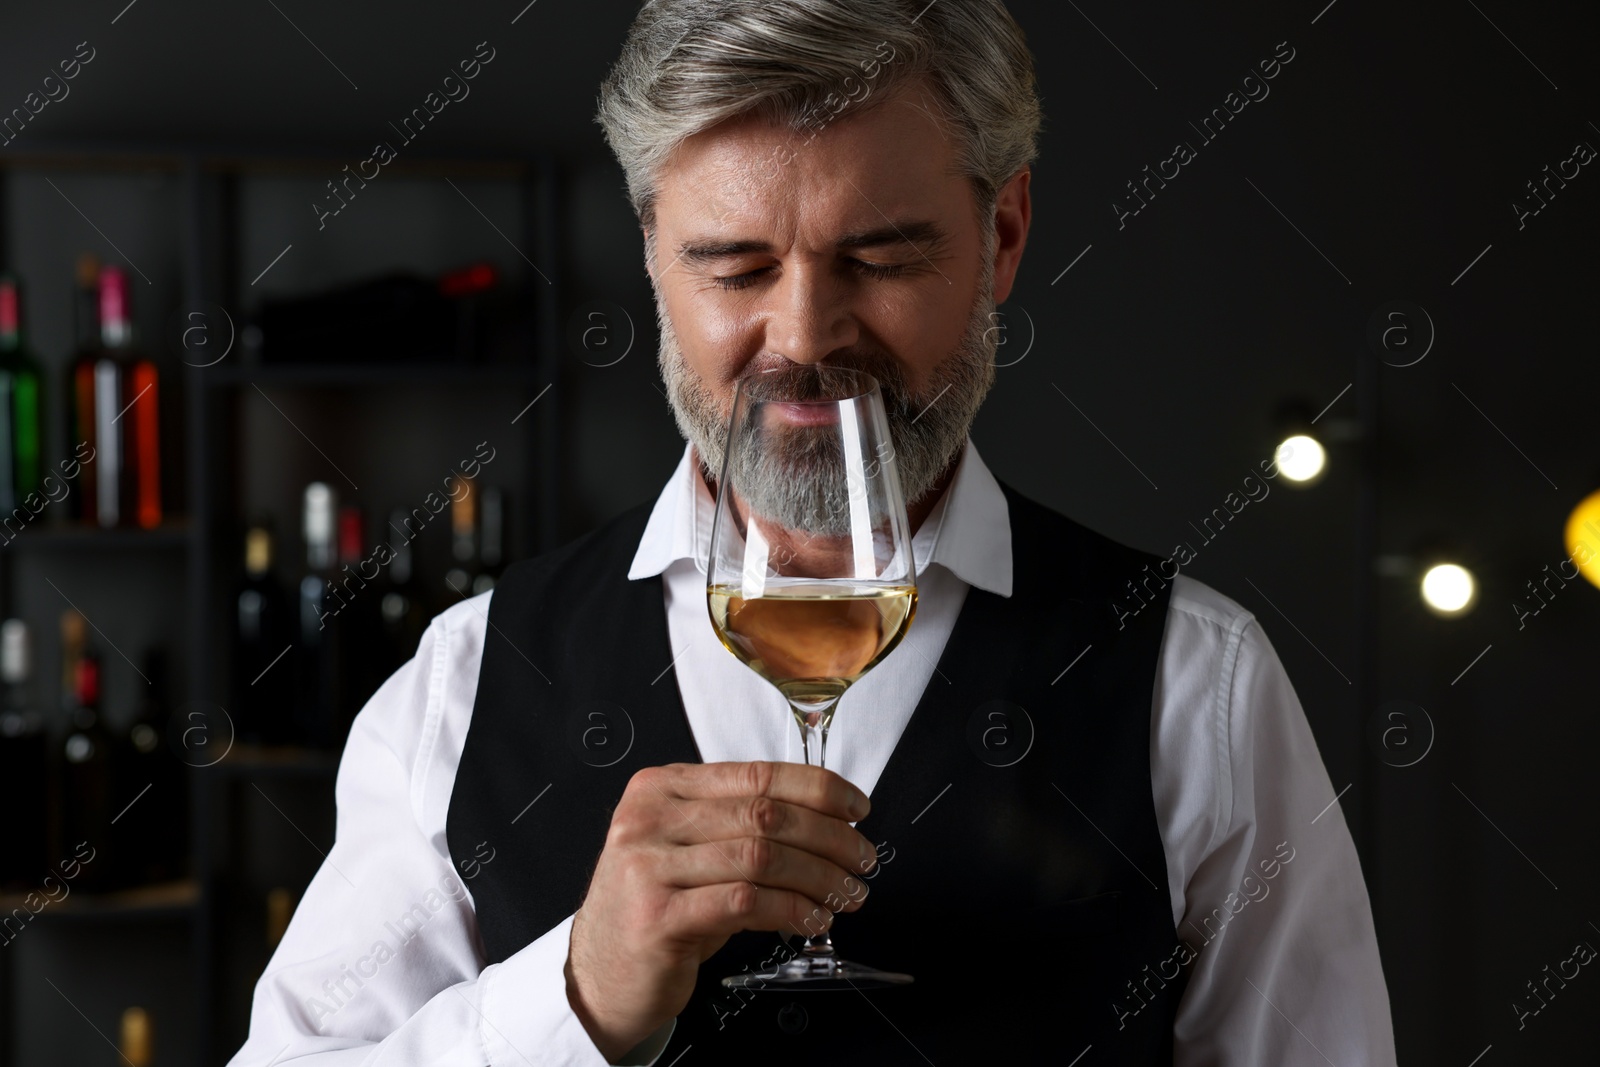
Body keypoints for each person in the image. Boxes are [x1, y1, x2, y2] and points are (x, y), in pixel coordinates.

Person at [228, 1, 1396, 1063]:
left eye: (878, 257)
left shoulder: (1196, 680)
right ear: (649, 256)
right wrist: (572, 996)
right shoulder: (468, 678)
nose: (805, 337)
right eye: (734, 265)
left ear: (1002, 234)